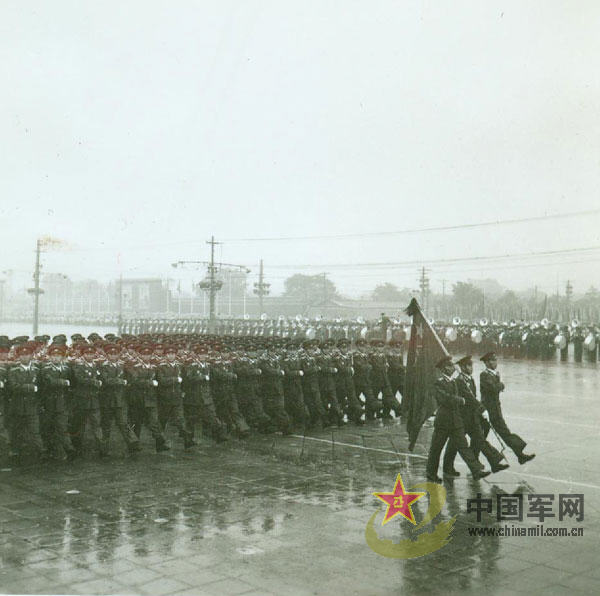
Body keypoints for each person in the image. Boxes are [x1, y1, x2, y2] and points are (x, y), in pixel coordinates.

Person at [425, 356, 490, 483]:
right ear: (444, 368)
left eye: (452, 365)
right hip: (443, 421)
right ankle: (431, 473)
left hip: (456, 421)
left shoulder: (454, 382)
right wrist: (460, 400)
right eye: (450, 366)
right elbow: (444, 399)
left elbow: (462, 396)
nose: (453, 368)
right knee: (436, 449)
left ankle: (476, 471)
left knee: (464, 447)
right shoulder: (438, 382)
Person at [442, 355, 509, 476]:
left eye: (471, 365)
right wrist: (482, 409)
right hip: (461, 419)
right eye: (468, 365)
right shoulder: (459, 381)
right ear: (462, 367)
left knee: (480, 440)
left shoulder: (469, 379)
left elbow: (472, 398)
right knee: (454, 444)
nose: (471, 367)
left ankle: (494, 463)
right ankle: (447, 467)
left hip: (471, 417)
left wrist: (478, 412)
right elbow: (469, 398)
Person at [479, 352, 535, 464]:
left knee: (503, 433)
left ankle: (520, 455)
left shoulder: (495, 374)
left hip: (495, 410)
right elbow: (494, 388)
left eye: (495, 360)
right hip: (486, 411)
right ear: (487, 363)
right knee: (480, 438)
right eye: (492, 360)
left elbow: (496, 388)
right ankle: (475, 463)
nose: (495, 362)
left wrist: (499, 385)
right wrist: (501, 385)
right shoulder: (484, 375)